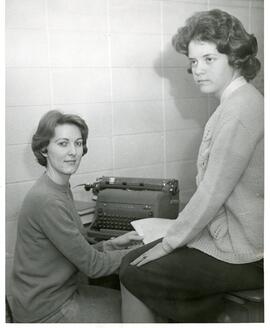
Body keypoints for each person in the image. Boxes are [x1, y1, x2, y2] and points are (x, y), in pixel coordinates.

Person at [119, 9, 264, 323]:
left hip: (248, 253)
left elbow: (212, 192)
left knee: (134, 270)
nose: (198, 70)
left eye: (209, 59)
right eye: (194, 61)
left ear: (235, 58)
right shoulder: (238, 102)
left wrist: (169, 242)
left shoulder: (240, 110)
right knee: (134, 261)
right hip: (234, 240)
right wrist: (172, 236)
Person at [10, 110, 143, 323]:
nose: (73, 151)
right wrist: (143, 250)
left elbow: (77, 252)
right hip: (48, 310)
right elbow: (93, 266)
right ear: (44, 148)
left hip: (58, 296)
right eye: (63, 144)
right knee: (140, 314)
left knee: (135, 306)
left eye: (78, 143)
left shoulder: (58, 187)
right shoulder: (48, 200)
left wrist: (114, 244)